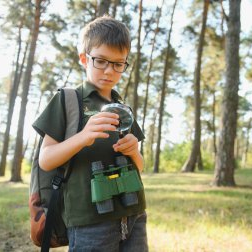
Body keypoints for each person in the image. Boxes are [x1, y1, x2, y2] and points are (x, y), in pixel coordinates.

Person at [32, 15, 148, 251]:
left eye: (118, 63)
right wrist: (82, 137)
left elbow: (140, 167)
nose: (109, 70)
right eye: (101, 61)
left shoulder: (123, 108)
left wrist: (134, 152)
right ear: (84, 59)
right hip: (89, 220)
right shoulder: (67, 101)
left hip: (134, 213)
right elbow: (46, 160)